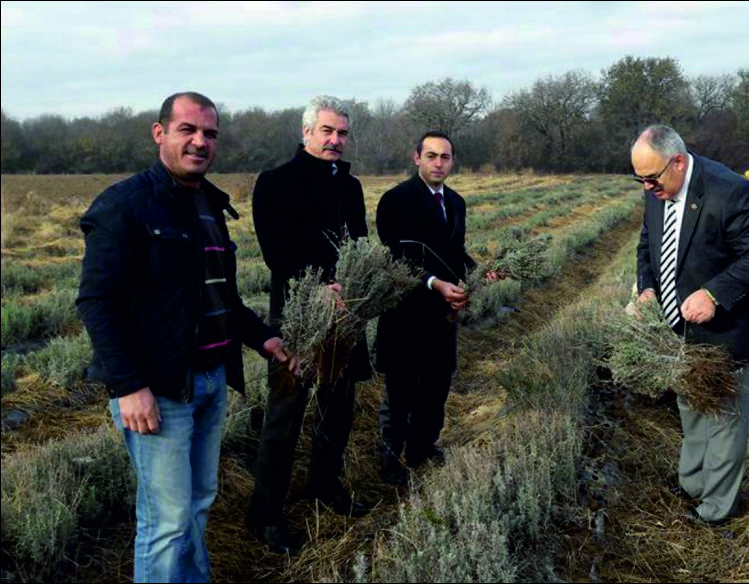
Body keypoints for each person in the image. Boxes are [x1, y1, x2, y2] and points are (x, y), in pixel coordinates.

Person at [76, 91, 291, 583]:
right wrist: (128, 386)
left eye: (209, 134)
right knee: (166, 521)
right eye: (187, 130)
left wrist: (265, 340)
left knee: (197, 504)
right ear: (160, 133)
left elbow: (220, 299)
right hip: (160, 389)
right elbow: (96, 302)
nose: (200, 142)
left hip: (211, 382)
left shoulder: (210, 205)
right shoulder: (126, 205)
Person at [631, 124, 749, 526]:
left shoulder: (729, 191)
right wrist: (648, 289)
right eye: (639, 179)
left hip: (730, 330)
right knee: (691, 405)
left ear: (677, 162)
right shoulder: (658, 188)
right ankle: (692, 483)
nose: (646, 188)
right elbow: (647, 245)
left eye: (651, 178)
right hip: (681, 331)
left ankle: (715, 509)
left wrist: (713, 294)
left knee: (725, 419)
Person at [246, 95, 372, 554]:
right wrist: (318, 288)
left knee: (338, 408)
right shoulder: (275, 183)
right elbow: (276, 254)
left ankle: (325, 485)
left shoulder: (351, 187)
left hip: (343, 315)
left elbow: (357, 247)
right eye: (327, 132)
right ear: (306, 133)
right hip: (296, 315)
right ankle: (266, 515)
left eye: (342, 133)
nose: (336, 140)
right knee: (284, 416)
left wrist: (352, 291)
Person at [374, 130, 476, 486]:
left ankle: (422, 449)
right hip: (406, 313)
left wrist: (478, 272)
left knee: (436, 386)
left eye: (444, 157)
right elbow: (397, 258)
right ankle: (392, 458)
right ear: (416, 157)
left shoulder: (457, 202)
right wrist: (435, 283)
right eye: (431, 156)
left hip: (443, 317)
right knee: (401, 389)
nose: (438, 163)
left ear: (452, 161)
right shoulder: (395, 200)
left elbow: (455, 253)